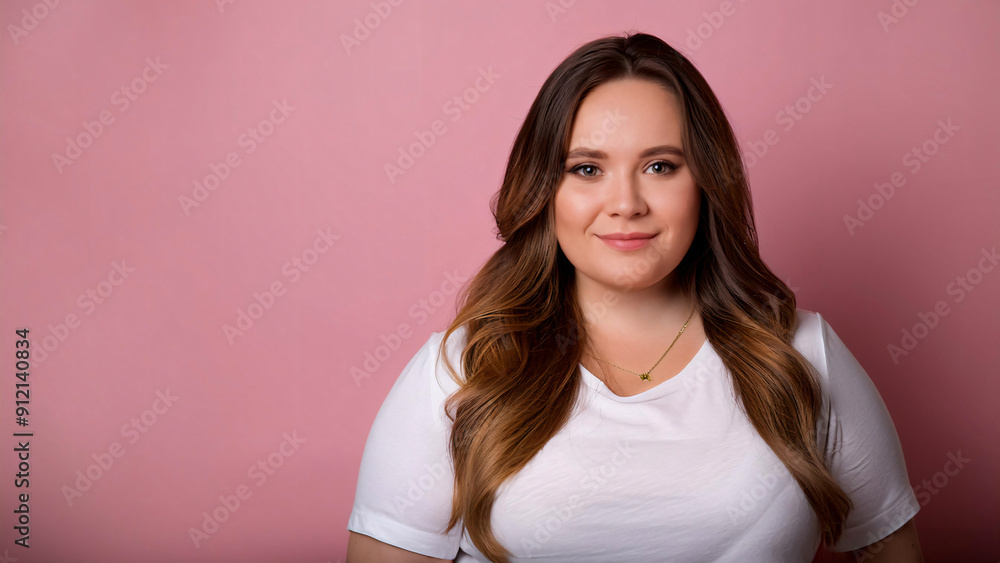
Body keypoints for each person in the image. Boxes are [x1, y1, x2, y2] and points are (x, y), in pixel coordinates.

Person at [346, 32, 923, 563]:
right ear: (545, 189)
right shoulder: (458, 371)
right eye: (587, 168)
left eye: (660, 166)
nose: (626, 203)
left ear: (706, 184)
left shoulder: (802, 354)